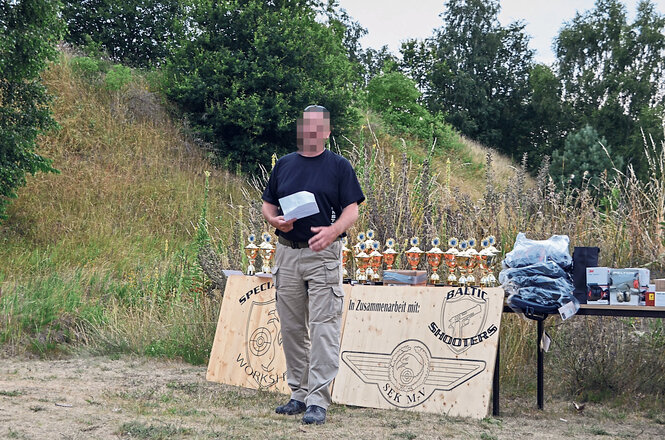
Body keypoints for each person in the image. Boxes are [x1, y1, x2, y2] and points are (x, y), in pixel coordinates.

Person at [261, 105, 364, 425]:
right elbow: (268, 204)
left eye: (318, 127)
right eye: (307, 125)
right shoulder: (284, 165)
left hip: (324, 256)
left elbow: (352, 210)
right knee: (292, 328)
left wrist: (333, 231)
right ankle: (298, 393)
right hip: (287, 254)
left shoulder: (339, 166)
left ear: (327, 132)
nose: (312, 131)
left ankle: (318, 400)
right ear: (301, 128)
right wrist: (274, 219)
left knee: (323, 328)